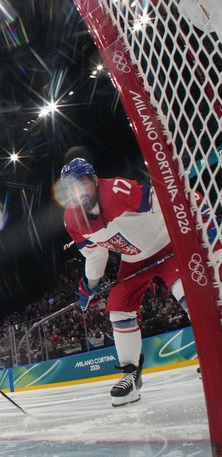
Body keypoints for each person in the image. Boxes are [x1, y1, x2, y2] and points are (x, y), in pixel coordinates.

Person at [59, 157, 192, 406]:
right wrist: (89, 285)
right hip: (134, 260)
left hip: (168, 244)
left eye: (81, 183)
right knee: (119, 308)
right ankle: (131, 374)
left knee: (187, 292)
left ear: (94, 179)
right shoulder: (72, 218)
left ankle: (213, 350)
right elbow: (96, 254)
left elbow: (163, 199)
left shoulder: (116, 191)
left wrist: (191, 224)